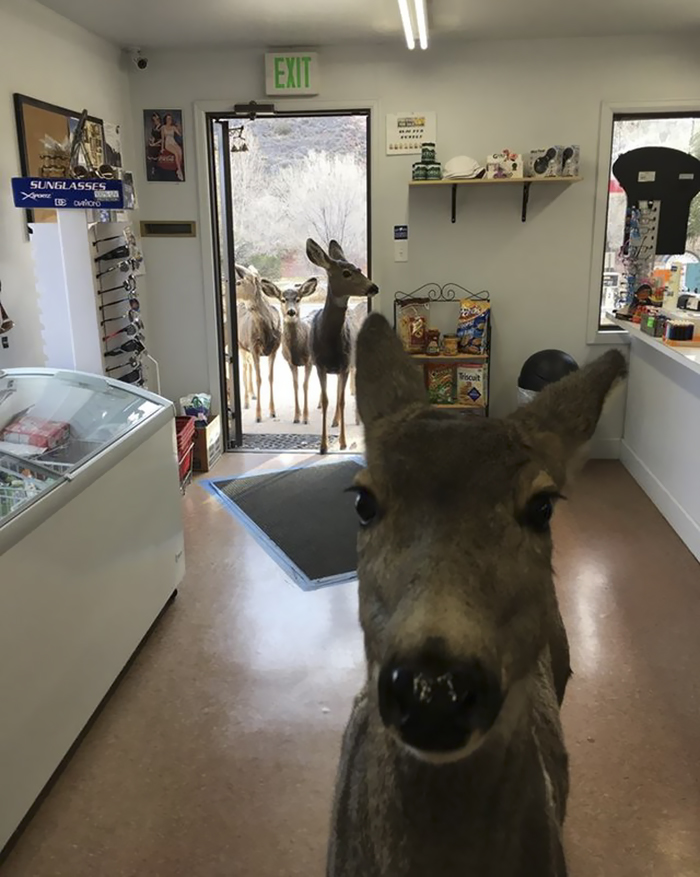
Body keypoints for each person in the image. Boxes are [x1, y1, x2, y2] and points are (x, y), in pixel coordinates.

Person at [160, 113, 184, 181]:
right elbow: (162, 139)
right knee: (176, 153)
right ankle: (179, 171)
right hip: (168, 143)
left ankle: (179, 167)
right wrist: (162, 148)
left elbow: (179, 134)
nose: (169, 120)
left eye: (170, 118)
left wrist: (178, 128)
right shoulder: (163, 127)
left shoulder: (173, 127)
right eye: (168, 118)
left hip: (173, 142)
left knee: (180, 151)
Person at [146, 113, 162, 179]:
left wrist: (155, 144)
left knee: (154, 148)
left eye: (156, 120)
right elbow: (153, 137)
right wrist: (152, 141)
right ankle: (152, 168)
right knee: (149, 147)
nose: (155, 121)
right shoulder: (154, 127)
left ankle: (155, 168)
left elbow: (162, 139)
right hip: (155, 142)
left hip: (160, 142)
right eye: (154, 120)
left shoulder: (161, 127)